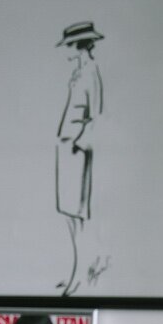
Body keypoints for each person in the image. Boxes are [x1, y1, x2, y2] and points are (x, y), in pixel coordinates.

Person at [55, 21, 104, 296]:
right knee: (69, 216)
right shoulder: (78, 72)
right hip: (66, 148)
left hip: (77, 150)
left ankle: (81, 275)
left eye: (69, 46)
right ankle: (75, 271)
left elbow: (94, 114)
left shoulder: (91, 72)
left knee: (79, 216)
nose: (66, 51)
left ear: (78, 45)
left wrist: (78, 143)